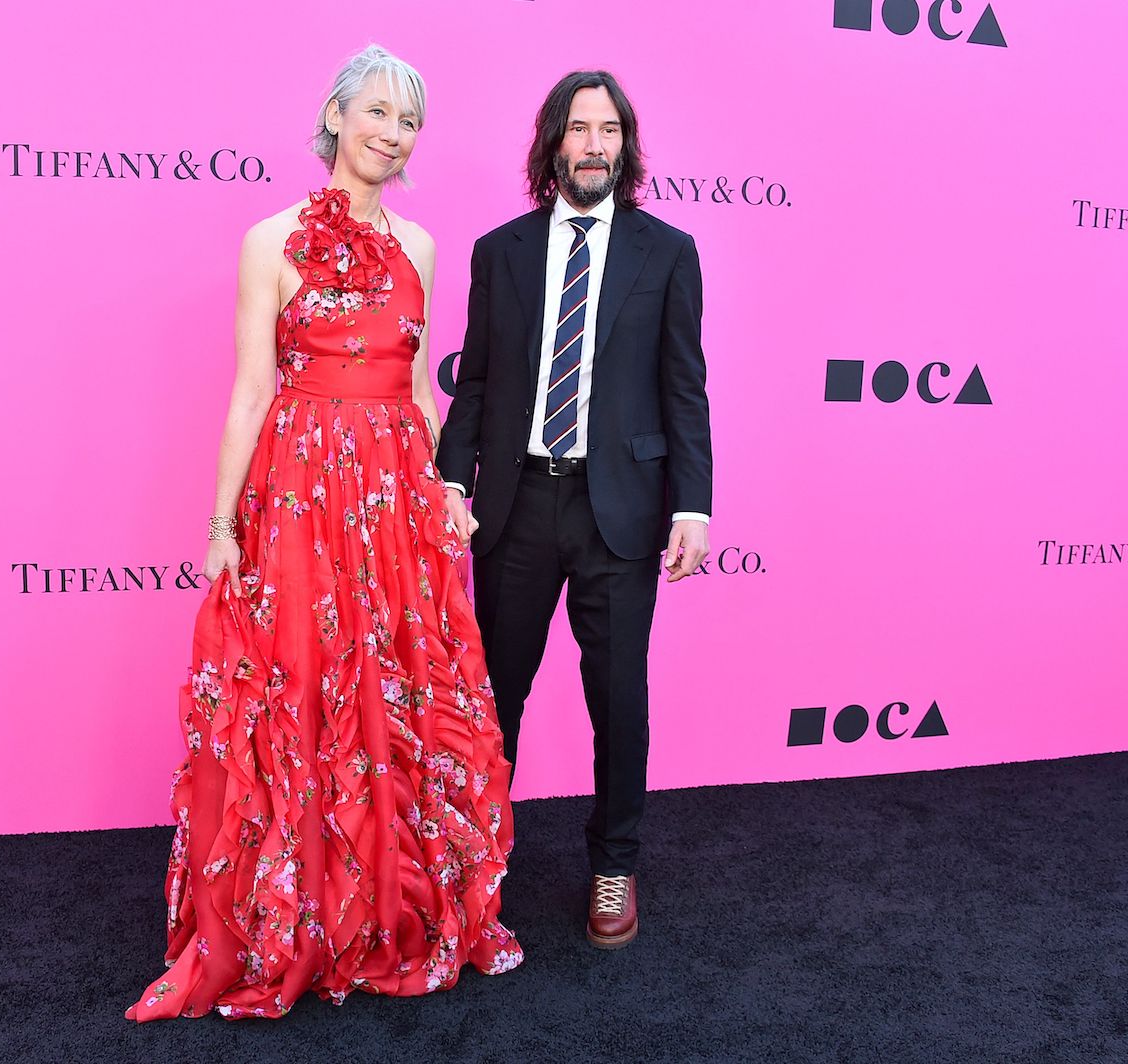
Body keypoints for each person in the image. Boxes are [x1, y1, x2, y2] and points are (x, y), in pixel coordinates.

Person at [128, 44, 520, 1022]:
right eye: (378, 113)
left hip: (393, 492)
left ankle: (389, 908)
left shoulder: (422, 247)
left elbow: (423, 387)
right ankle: (294, 914)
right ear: (337, 116)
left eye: (409, 122)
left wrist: (445, 487)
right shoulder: (270, 240)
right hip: (299, 488)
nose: (392, 133)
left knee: (397, 689)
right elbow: (252, 388)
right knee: (301, 687)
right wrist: (223, 522)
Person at [436, 70, 712, 950]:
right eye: (580, 128)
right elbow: (473, 380)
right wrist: (451, 481)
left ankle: (614, 864)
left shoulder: (667, 252)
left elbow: (684, 389)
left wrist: (694, 506)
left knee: (617, 697)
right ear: (553, 141)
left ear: (625, 147)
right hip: (517, 506)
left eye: (610, 131)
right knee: (494, 697)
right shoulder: (500, 251)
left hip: (620, 513)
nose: (595, 145)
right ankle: (479, 860)